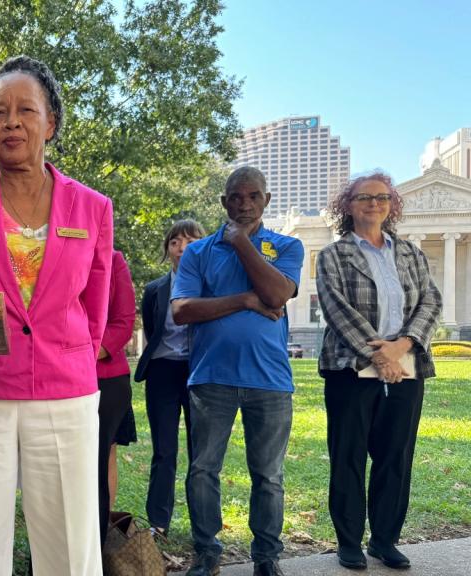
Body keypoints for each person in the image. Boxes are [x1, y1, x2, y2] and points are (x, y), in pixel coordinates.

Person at [0, 55, 114, 576]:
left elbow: (95, 306)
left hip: (65, 392)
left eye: (25, 110)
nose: (11, 121)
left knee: (70, 542)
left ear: (50, 123)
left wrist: (66, 353)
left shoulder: (93, 208)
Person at [172, 167, 302, 576]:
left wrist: (241, 243)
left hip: (271, 381)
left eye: (253, 196)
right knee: (203, 470)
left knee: (268, 476)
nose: (244, 204)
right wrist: (245, 299)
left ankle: (266, 557)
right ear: (224, 202)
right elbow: (182, 311)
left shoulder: (288, 246)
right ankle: (207, 551)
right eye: (236, 196)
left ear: (265, 200)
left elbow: (279, 293)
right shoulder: (198, 252)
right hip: (212, 379)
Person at [316, 173, 441, 571]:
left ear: (392, 204)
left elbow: (430, 302)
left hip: (407, 364)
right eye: (364, 197)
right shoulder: (334, 255)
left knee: (395, 455)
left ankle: (385, 540)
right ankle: (349, 542)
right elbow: (336, 308)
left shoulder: (409, 253)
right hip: (350, 367)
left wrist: (402, 345)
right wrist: (380, 355)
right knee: (348, 454)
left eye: (382, 197)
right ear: (348, 205)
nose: (374, 204)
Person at [133, 219, 206, 534]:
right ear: (167, 248)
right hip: (162, 370)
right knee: (164, 450)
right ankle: (158, 522)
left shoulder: (211, 286)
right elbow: (153, 329)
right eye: (175, 242)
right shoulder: (155, 289)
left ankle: (201, 523)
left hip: (199, 371)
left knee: (200, 451)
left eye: (190, 242)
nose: (181, 248)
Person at [96, 250, 135, 540]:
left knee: (100, 462)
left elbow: (123, 321)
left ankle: (96, 546)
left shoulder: (113, 259)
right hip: (52, 378)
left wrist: (81, 356)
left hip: (105, 377)